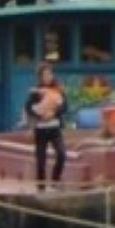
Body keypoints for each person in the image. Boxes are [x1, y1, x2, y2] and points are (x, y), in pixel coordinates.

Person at [24, 62, 68, 190]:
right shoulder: (36, 92)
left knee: (61, 154)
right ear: (40, 77)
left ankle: (55, 181)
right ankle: (41, 187)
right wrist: (40, 115)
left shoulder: (58, 90)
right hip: (41, 129)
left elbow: (65, 106)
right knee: (41, 160)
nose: (48, 77)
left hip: (55, 128)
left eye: (50, 74)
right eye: (45, 75)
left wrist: (54, 113)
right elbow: (28, 108)